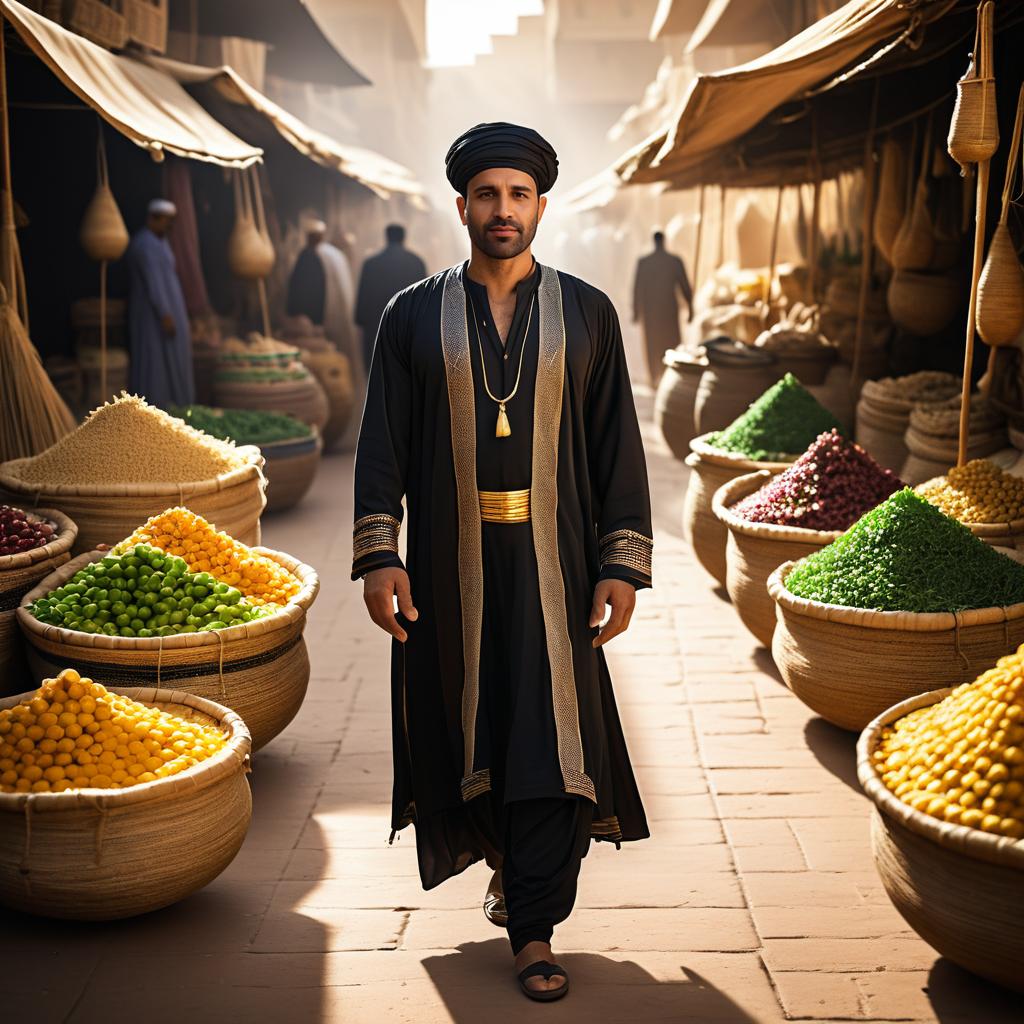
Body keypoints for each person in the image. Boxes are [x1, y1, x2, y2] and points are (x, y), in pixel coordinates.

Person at [352, 123, 651, 1003]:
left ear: (541, 207)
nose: (503, 210)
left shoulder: (588, 311)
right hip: (450, 569)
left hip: (557, 567)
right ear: (462, 206)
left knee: (556, 737)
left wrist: (621, 563)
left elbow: (616, 446)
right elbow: (381, 446)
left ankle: (534, 928)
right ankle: (506, 865)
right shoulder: (410, 314)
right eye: (487, 194)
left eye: (518, 195)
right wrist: (381, 553)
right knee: (467, 727)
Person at [287, 216, 365, 446]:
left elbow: (305, 295)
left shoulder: (311, 257)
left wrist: (308, 322)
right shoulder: (333, 255)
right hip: (337, 325)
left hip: (318, 330)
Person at [126, 199, 195, 408]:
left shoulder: (161, 242)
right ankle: (153, 413)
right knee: (153, 362)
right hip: (153, 314)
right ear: (154, 218)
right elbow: (154, 282)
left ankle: (178, 408)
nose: (169, 226)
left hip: (171, 308)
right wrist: (165, 313)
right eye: (166, 221)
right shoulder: (144, 244)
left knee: (174, 359)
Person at [354, 223, 426, 370]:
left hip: (377, 325)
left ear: (386, 237)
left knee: (378, 368)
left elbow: (363, 295)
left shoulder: (370, 264)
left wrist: (360, 319)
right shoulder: (416, 262)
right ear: (403, 238)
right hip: (408, 326)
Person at [632, 230, 693, 387]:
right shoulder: (674, 261)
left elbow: (637, 288)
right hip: (668, 310)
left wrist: (636, 311)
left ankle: (656, 379)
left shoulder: (645, 262)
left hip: (652, 311)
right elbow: (685, 286)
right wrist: (690, 307)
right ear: (663, 241)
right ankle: (668, 376)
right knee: (670, 341)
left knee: (653, 345)